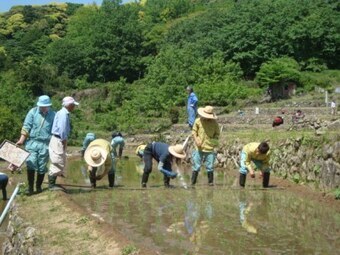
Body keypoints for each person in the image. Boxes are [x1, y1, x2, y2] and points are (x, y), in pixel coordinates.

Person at [15, 95, 55, 195]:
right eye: (41, 106)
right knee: (31, 163)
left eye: (45, 106)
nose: (43, 108)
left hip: (45, 144)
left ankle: (38, 187)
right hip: (32, 142)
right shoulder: (32, 112)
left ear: (48, 106)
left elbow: (56, 131)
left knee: (42, 166)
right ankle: (30, 188)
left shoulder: (53, 115)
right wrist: (21, 140)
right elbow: (26, 127)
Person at [48, 96, 79, 190]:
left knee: (60, 159)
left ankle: (54, 182)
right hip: (58, 139)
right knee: (57, 160)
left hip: (58, 139)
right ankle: (51, 185)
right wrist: (64, 140)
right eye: (73, 105)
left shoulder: (63, 113)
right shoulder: (63, 114)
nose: (74, 107)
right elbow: (62, 129)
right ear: (69, 105)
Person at [191, 106, 220, 186]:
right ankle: (193, 183)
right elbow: (194, 131)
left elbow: (217, 134)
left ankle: (210, 183)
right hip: (199, 147)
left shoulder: (214, 123)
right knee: (196, 166)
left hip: (209, 148)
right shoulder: (198, 121)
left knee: (210, 167)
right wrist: (196, 139)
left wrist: (213, 142)